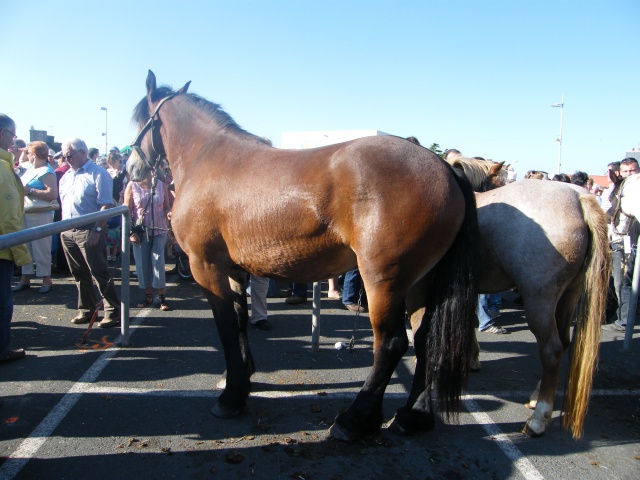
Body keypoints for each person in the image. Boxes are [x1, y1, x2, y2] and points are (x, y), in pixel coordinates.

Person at [58, 138, 121, 328]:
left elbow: (106, 205)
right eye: (64, 156)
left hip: (89, 230)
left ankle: (113, 310)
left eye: (69, 155)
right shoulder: (67, 176)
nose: (66, 159)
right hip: (67, 230)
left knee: (99, 272)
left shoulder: (99, 174)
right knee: (78, 273)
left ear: (83, 153)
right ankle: (86, 309)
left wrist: (97, 230)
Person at [0, 114, 30, 362]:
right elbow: (9, 216)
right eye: (12, 134)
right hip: (2, 250)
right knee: (3, 305)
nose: (13, 140)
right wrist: (20, 252)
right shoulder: (2, 168)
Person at [123, 166, 172, 311]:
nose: (152, 173)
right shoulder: (132, 186)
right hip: (140, 232)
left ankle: (162, 297)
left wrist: (169, 213)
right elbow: (127, 211)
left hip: (159, 230)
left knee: (158, 261)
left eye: (154, 170)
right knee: (142, 264)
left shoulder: (161, 184)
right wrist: (131, 233)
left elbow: (166, 206)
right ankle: (148, 296)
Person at [13, 141, 58, 294]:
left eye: (28, 153)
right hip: (27, 212)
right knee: (26, 247)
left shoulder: (46, 171)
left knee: (41, 247)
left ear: (34, 155)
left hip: (40, 214)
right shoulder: (32, 169)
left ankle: (46, 279)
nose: (26, 155)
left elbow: (52, 194)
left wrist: (30, 191)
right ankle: (25, 277)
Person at [603, 157, 640, 332]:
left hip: (630, 241)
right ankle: (623, 317)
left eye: (632, 171)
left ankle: (624, 319)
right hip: (620, 241)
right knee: (621, 281)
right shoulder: (617, 190)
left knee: (625, 281)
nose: (628, 175)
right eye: (625, 171)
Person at [105, 151, 127, 261]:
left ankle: (118, 251)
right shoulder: (109, 172)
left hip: (123, 201)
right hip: (113, 202)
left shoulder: (124, 171)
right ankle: (113, 252)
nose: (120, 163)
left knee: (121, 227)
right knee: (113, 227)